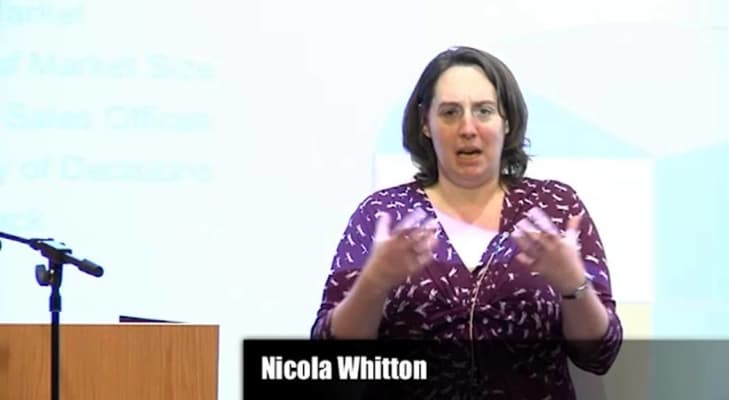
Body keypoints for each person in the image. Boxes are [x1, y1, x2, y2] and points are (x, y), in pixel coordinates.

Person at [310, 46, 623, 398]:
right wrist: (374, 283)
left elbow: (601, 354)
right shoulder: (383, 214)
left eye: (484, 111)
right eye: (450, 112)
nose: (468, 128)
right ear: (425, 123)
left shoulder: (556, 207)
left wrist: (573, 285)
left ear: (507, 121)